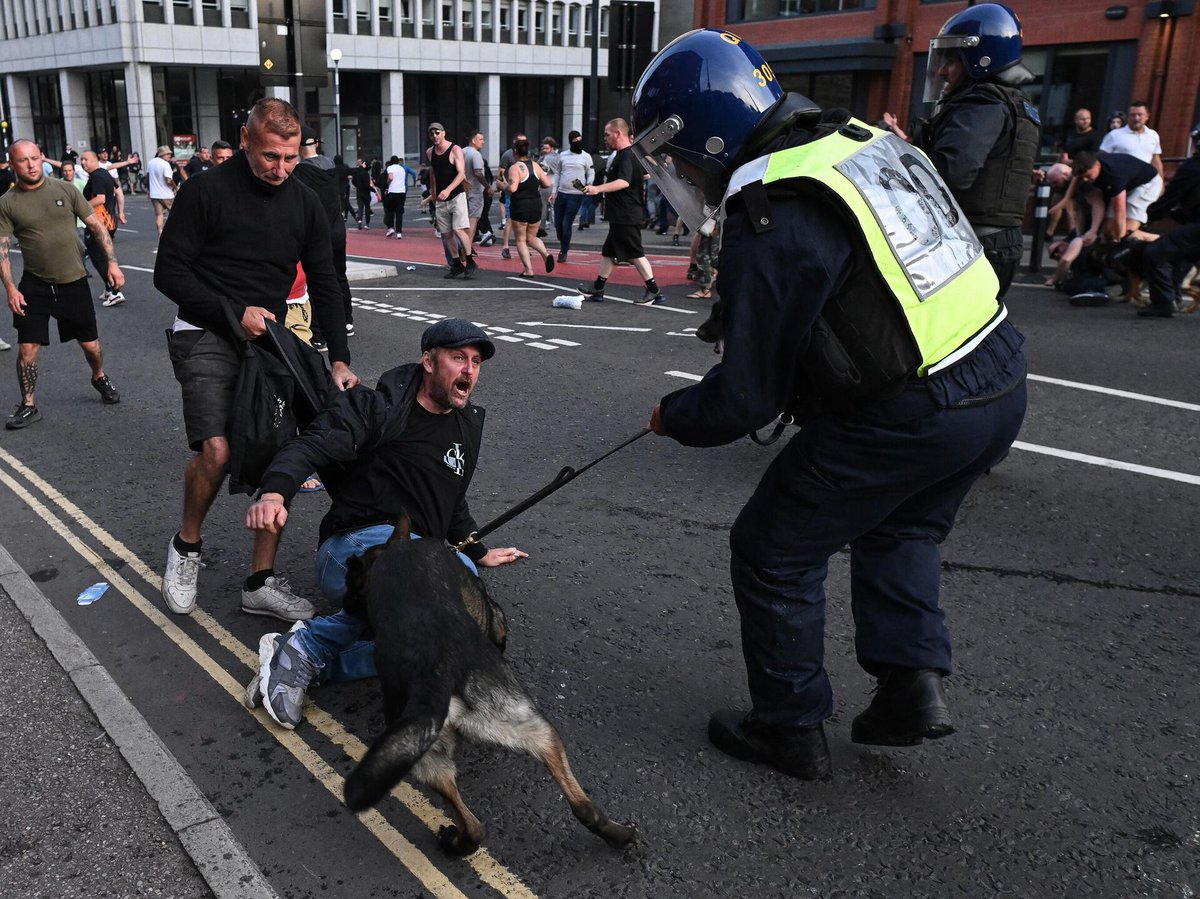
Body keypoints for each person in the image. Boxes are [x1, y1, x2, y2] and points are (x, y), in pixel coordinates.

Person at [633, 29, 1027, 779]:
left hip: (916, 402)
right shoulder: (852, 140)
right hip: (999, 369)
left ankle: (788, 726)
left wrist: (673, 415)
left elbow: (746, 399)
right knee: (901, 520)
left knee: (773, 547)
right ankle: (910, 687)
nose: (678, 175)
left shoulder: (770, 206)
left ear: (709, 131)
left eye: (674, 156)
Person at [241, 318, 528, 729]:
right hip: (352, 546)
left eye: (476, 362)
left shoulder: (465, 425)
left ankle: (303, 660)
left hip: (420, 556)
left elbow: (448, 496)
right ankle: (310, 642)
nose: (469, 370)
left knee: (470, 628)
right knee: (419, 579)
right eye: (457, 358)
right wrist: (274, 493)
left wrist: (478, 551)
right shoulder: (380, 407)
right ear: (428, 362)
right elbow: (310, 444)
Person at [153, 97, 359, 622]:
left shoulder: (305, 202)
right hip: (202, 329)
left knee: (278, 457)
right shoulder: (204, 191)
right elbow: (169, 275)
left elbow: (327, 282)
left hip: (266, 337)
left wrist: (339, 359)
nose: (280, 169)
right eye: (270, 156)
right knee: (217, 451)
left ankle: (259, 582)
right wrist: (230, 311)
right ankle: (187, 547)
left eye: (290, 158)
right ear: (245, 141)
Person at [885, 3, 1039, 300]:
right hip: (991, 239)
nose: (941, 70)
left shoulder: (982, 106)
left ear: (981, 60)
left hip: (974, 241)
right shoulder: (1011, 103)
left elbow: (949, 174)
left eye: (952, 60)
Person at [0, 140, 123, 430]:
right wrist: (10, 289)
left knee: (91, 346)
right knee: (27, 348)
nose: (30, 164)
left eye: (34, 158)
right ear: (12, 164)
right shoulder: (7, 202)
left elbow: (96, 225)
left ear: (42, 158)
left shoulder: (65, 189)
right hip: (34, 285)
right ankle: (28, 404)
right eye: (22, 160)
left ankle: (99, 377)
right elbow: (2, 250)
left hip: (73, 282)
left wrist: (113, 263)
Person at [579, 118, 664, 306]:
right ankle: (598, 288)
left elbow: (624, 182)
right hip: (622, 213)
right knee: (609, 250)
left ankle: (655, 292)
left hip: (627, 213)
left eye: (607, 135)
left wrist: (597, 189)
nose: (605, 139)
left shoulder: (626, 155)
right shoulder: (626, 154)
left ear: (618, 133)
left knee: (635, 253)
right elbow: (642, 175)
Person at [1130, 130, 1200, 318]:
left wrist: (1151, 215)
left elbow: (1171, 197)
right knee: (1182, 255)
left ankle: (1163, 303)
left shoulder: (1194, 166)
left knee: (1156, 252)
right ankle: (1173, 297)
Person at [421, 123, 475, 279]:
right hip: (441, 200)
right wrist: (432, 196)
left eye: (437, 133)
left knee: (459, 230)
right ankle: (456, 265)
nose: (435, 136)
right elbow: (433, 174)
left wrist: (448, 190)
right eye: (432, 134)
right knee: (446, 234)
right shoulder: (430, 152)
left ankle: (470, 262)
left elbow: (461, 174)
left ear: (443, 133)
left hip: (456, 196)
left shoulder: (455, 149)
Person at [1071, 150, 1161, 242]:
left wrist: (1120, 241)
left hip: (1147, 184)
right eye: (1082, 177)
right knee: (1108, 231)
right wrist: (1066, 198)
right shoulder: (1091, 161)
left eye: (1088, 176)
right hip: (1128, 184)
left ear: (1097, 165)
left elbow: (1120, 214)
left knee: (1127, 232)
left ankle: (1162, 241)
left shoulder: (1113, 177)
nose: (1085, 180)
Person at [79, 150, 125, 307]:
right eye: (81, 160)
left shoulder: (97, 175)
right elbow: (118, 192)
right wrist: (120, 212)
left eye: (85, 159)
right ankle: (109, 288)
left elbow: (100, 198)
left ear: (94, 160)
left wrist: (79, 207)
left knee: (98, 257)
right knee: (104, 255)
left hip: (99, 223)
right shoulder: (105, 174)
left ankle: (114, 292)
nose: (83, 162)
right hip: (109, 222)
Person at [505, 138, 556, 277]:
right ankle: (545, 254)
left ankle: (528, 270)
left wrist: (502, 185)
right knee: (532, 237)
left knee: (521, 239)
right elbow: (547, 184)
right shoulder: (535, 165)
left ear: (515, 151)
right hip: (535, 204)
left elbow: (512, 188)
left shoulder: (515, 168)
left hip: (521, 205)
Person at [551, 130, 593, 262]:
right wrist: (554, 191)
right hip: (562, 193)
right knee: (558, 223)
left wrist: (589, 184)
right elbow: (557, 173)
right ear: (570, 142)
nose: (578, 143)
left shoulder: (586, 157)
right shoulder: (562, 156)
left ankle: (563, 251)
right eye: (575, 141)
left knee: (566, 222)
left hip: (576, 194)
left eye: (580, 140)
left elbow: (591, 172)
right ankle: (564, 240)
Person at [1099, 101, 1164, 181]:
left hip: (1144, 182)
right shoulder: (1114, 135)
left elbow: (1156, 161)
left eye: (1140, 115)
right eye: (1133, 115)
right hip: (1119, 181)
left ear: (1147, 116)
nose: (1136, 118)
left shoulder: (1153, 135)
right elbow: (1102, 158)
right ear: (1128, 117)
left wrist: (1160, 182)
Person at [461, 132, 489, 247]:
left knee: (464, 221)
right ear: (473, 140)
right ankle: (467, 248)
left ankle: (464, 245)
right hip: (475, 190)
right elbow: (478, 172)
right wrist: (488, 187)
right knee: (473, 220)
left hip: (463, 189)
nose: (483, 141)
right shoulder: (476, 154)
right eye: (481, 139)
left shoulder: (462, 152)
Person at [147, 145, 177, 236]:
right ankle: (175, 232)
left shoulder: (151, 162)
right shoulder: (165, 164)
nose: (169, 156)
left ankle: (161, 233)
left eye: (170, 154)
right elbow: (168, 180)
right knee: (175, 213)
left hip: (154, 194)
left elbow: (148, 177)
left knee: (159, 215)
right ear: (161, 154)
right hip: (166, 194)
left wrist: (149, 190)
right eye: (167, 154)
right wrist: (175, 187)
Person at [382, 155, 408, 239]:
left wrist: (387, 183)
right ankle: (399, 232)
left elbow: (390, 177)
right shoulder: (402, 169)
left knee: (389, 211)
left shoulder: (390, 168)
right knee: (399, 213)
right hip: (401, 192)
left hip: (392, 191)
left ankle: (390, 228)